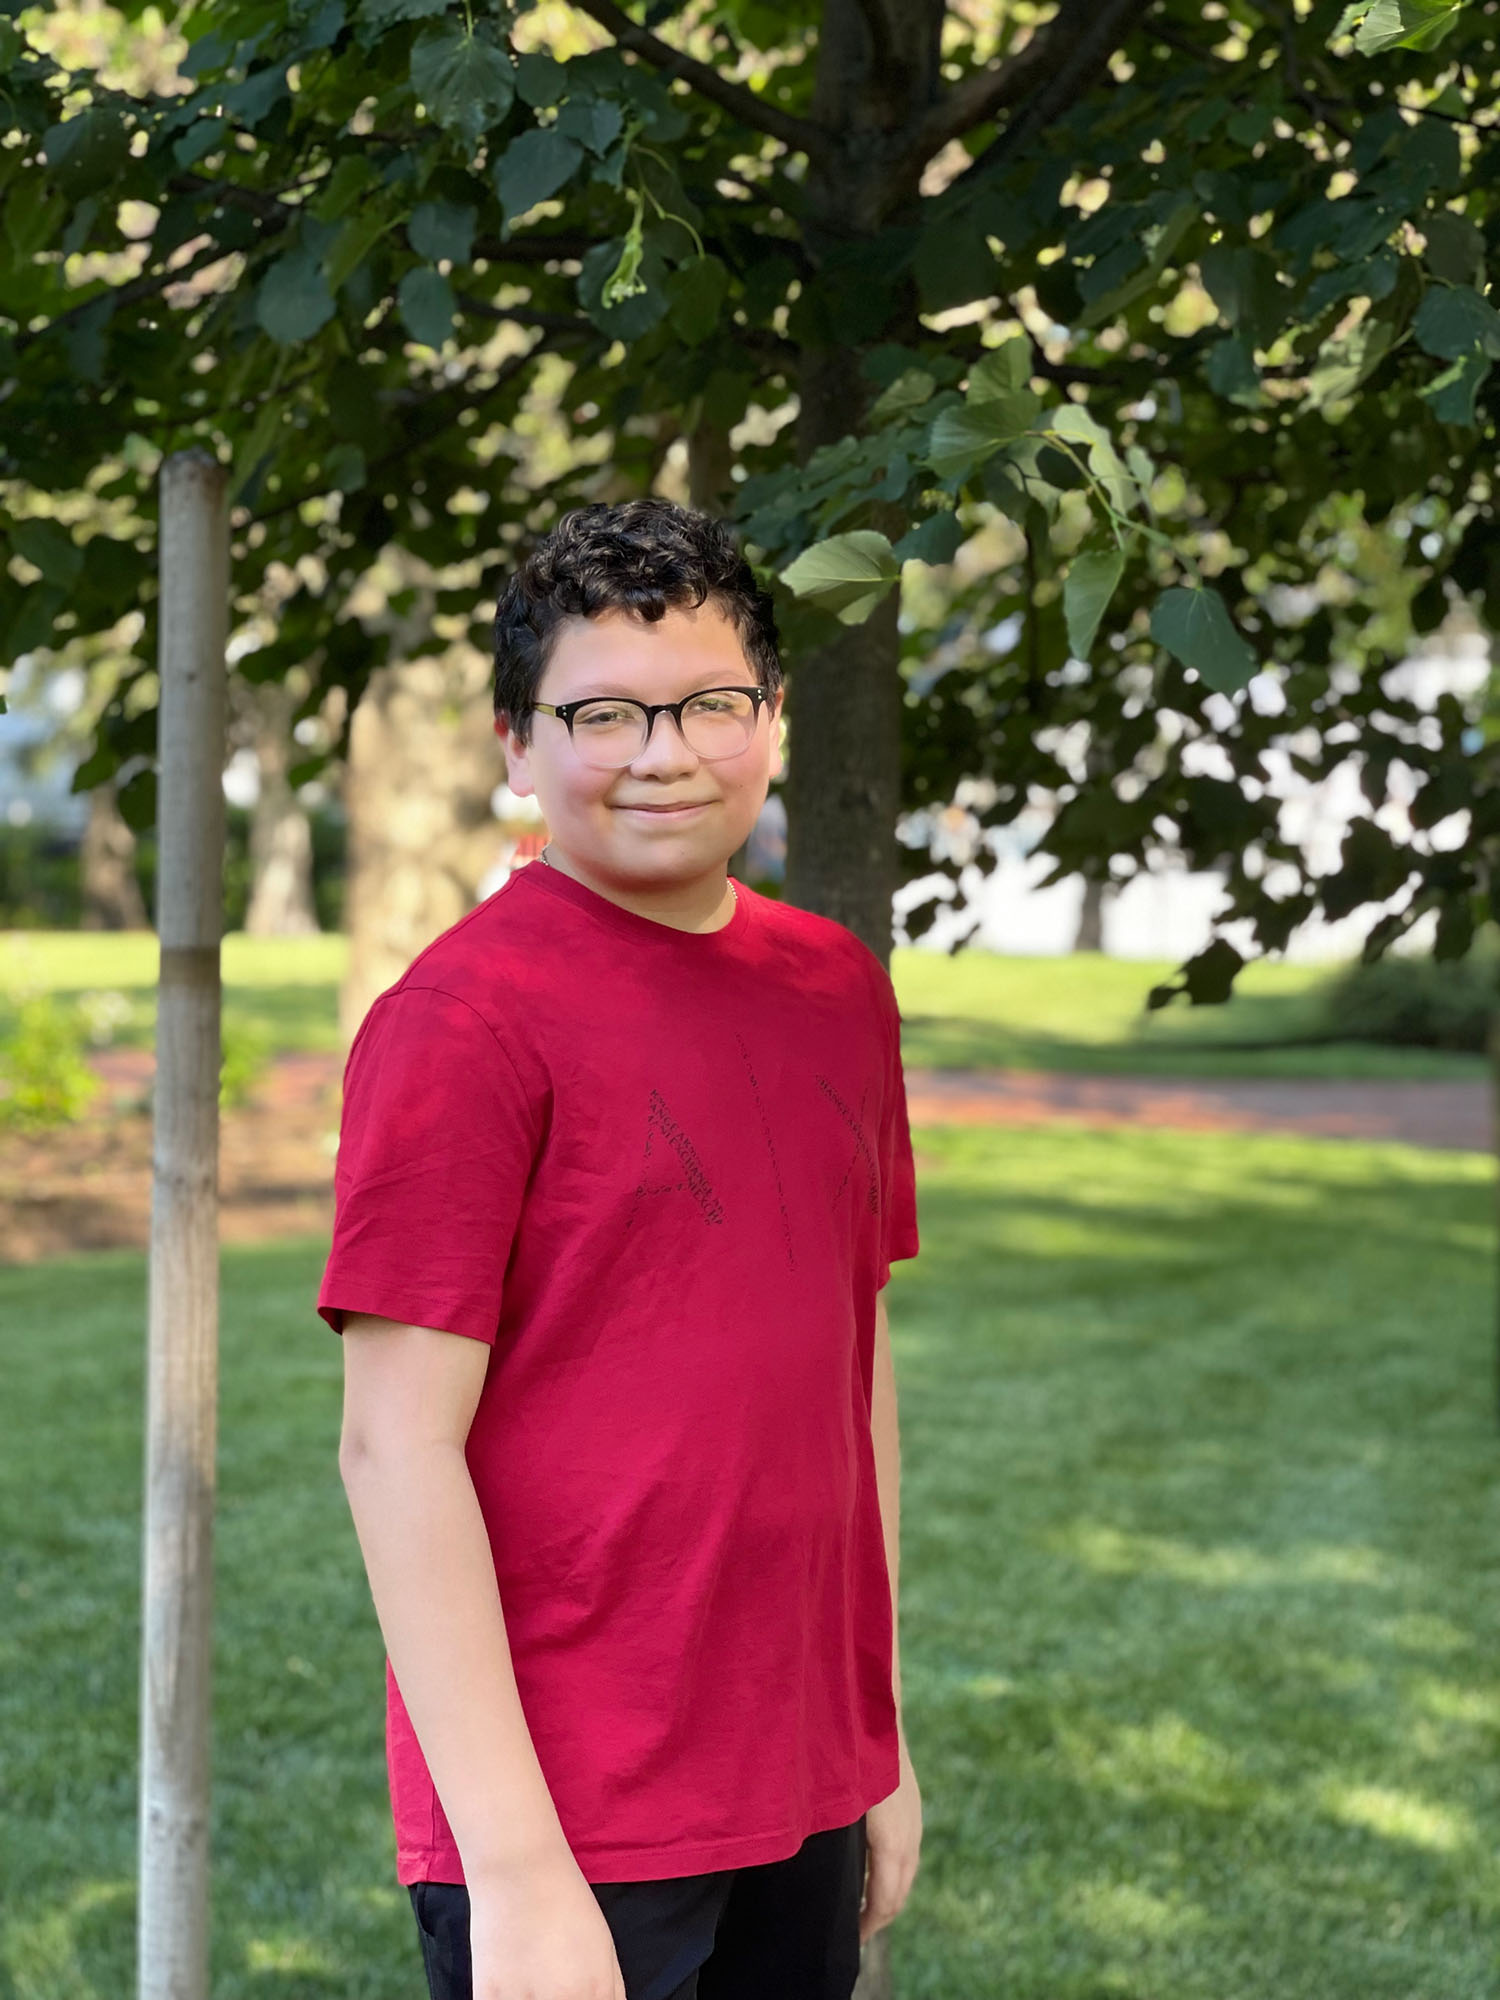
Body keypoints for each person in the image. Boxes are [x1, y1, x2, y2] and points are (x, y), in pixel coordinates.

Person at [317, 497, 923, 2000]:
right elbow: (396, 1451)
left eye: (711, 704)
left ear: (772, 718)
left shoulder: (834, 984)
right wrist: (518, 1874)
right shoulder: (462, 1026)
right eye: (603, 714)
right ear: (516, 744)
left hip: (801, 1771)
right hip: (573, 1807)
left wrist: (876, 1734)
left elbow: (854, 1366)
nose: (665, 755)